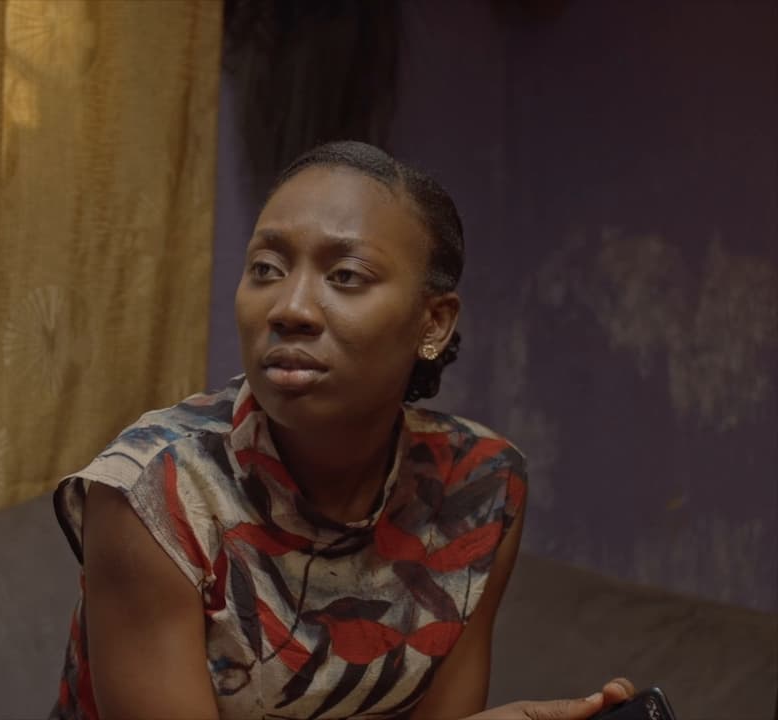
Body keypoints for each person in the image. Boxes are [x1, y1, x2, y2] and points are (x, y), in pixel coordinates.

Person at [50, 141, 632, 719]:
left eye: (346, 275)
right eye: (266, 269)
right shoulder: (153, 490)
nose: (290, 308)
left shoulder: (478, 486)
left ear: (433, 323)